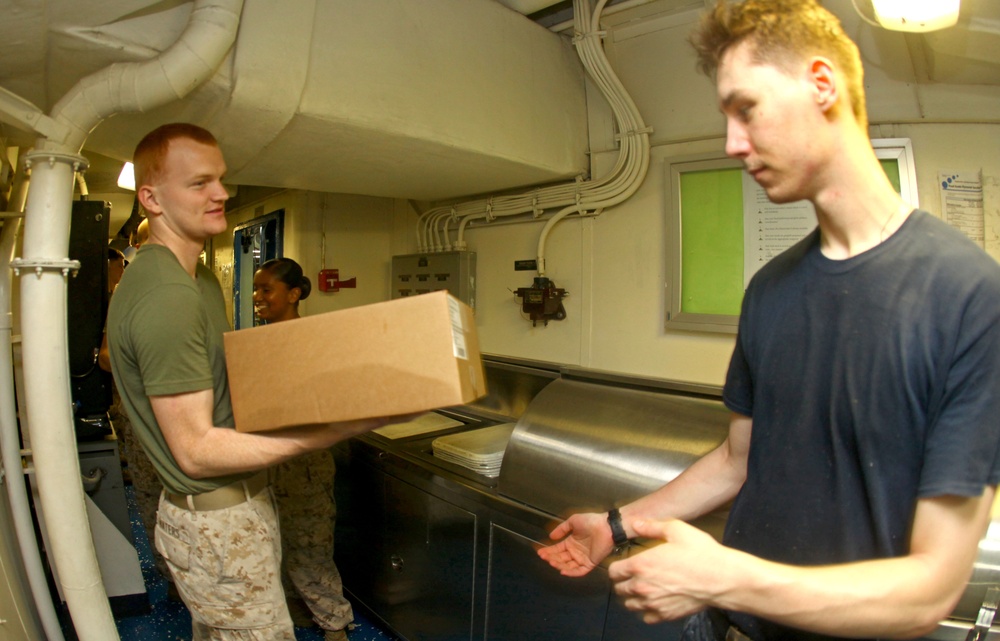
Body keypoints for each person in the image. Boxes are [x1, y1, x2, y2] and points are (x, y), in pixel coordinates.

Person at [537, 2, 1000, 641]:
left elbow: (931, 588)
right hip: (733, 629)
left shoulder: (969, 295)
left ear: (821, 84)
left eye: (746, 108)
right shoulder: (771, 289)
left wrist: (720, 576)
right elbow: (737, 459)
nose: (732, 143)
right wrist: (616, 525)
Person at [106, 122, 410, 640]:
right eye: (199, 183)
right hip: (217, 525)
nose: (221, 193)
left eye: (220, 179)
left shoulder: (196, 278)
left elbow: (222, 382)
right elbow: (196, 452)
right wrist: (340, 426)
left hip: (242, 506)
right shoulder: (165, 297)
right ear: (151, 199)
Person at [252, 257, 354, 641]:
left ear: (294, 294)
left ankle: (334, 622)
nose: (258, 297)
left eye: (267, 290)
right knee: (276, 539)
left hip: (303, 461)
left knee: (309, 543)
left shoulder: (310, 340)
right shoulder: (259, 341)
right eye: (257, 289)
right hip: (265, 457)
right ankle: (298, 607)